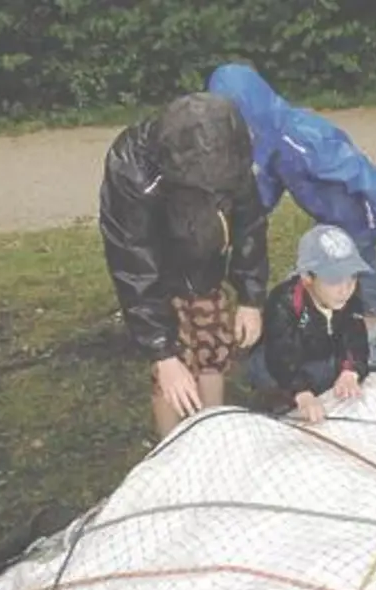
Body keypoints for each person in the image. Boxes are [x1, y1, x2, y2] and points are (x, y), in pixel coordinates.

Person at [207, 63, 376, 370]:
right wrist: (243, 221)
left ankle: (370, 346)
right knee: (347, 280)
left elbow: (362, 172)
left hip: (358, 220)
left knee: (345, 281)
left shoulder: (303, 138)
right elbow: (269, 185)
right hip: (331, 222)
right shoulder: (272, 143)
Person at [98, 93, 270, 438]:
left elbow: (249, 223)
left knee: (213, 351)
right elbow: (133, 263)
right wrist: (162, 352)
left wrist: (251, 297)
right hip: (160, 273)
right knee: (173, 376)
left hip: (206, 268)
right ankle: (172, 450)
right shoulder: (131, 169)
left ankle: (213, 437)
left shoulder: (230, 150)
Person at [247, 225, 373, 425]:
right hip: (282, 363)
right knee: (269, 378)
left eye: (352, 277)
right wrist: (301, 392)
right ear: (307, 278)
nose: (345, 289)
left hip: (323, 357)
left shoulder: (350, 298)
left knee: (342, 376)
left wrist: (350, 371)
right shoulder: (283, 302)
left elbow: (354, 337)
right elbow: (282, 353)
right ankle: (275, 401)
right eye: (334, 280)